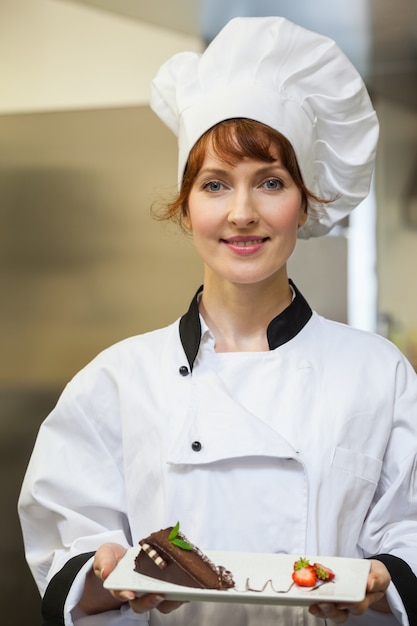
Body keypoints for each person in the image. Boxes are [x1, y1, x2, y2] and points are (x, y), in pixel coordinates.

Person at [18, 16, 417, 626]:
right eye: (214, 185)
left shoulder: (376, 373)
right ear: (185, 207)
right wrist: (108, 574)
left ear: (306, 202)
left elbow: (408, 533)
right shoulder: (121, 378)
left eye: (271, 182)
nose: (242, 212)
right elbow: (65, 550)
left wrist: (384, 580)